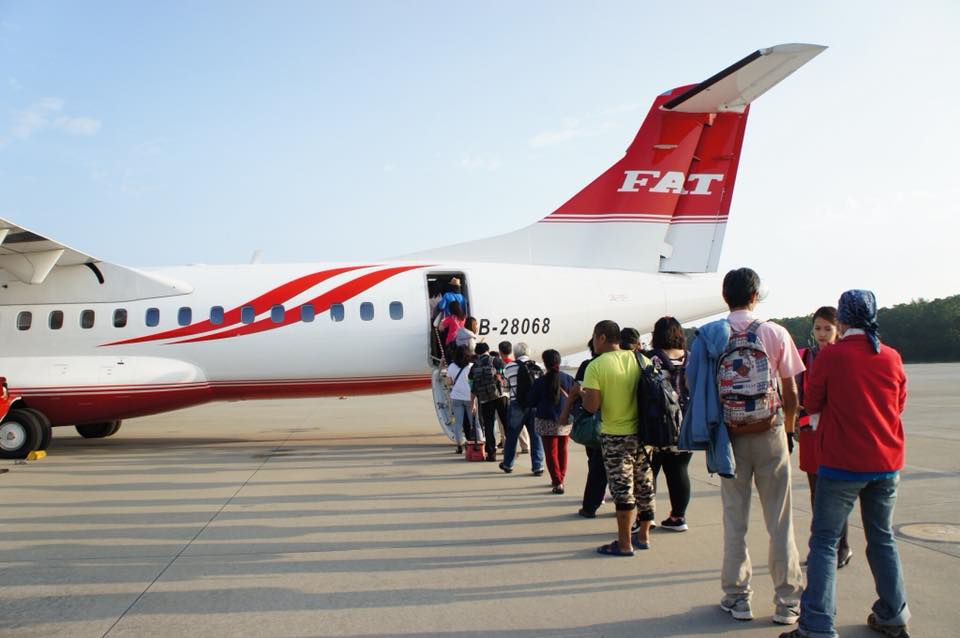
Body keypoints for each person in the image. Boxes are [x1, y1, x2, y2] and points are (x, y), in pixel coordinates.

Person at [781, 290, 910, 638]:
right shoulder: (892, 357)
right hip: (886, 461)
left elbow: (812, 401)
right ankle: (893, 613)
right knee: (882, 538)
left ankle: (818, 624)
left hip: (842, 463)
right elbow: (898, 405)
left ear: (842, 319)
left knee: (824, 542)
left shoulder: (831, 357)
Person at [693, 268, 803, 625]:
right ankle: (787, 602)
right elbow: (791, 393)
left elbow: (696, 387)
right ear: (756, 296)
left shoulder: (711, 336)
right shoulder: (775, 332)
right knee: (780, 521)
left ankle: (738, 598)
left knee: (734, 519)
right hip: (770, 433)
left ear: (726, 297)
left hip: (730, 437)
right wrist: (787, 431)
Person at [581, 320, 656, 557]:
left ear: (601, 338)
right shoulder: (640, 359)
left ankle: (624, 543)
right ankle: (643, 535)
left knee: (622, 488)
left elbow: (592, 407)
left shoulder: (597, 365)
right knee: (644, 484)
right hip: (644, 435)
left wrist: (582, 395)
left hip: (615, 435)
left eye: (594, 337)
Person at [795, 306, 852, 569]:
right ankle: (820, 547)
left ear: (838, 329)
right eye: (817, 328)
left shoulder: (844, 357)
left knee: (836, 494)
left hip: (835, 432)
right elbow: (799, 398)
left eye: (827, 328)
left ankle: (842, 545)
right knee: (817, 493)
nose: (821, 333)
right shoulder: (804, 357)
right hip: (810, 432)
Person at [645, 316, 694, 532]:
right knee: (679, 470)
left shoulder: (650, 359)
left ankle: (646, 517)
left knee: (649, 471)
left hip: (657, 424)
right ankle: (678, 517)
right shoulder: (691, 358)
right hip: (685, 423)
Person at [559, 340, 606, 518]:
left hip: (594, 420)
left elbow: (575, 390)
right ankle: (621, 501)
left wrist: (565, 413)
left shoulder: (589, 365)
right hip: (623, 423)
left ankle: (592, 504)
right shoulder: (629, 361)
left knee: (595, 462)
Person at [528, 349, 575, 493]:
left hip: (546, 419)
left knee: (551, 452)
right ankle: (561, 478)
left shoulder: (540, 381)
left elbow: (532, 401)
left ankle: (557, 481)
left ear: (545, 363)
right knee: (563, 450)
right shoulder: (567, 378)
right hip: (565, 418)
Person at [501, 343, 539, 471]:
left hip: (516, 404)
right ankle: (538, 466)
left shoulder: (509, 367)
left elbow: (505, 388)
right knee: (535, 436)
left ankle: (508, 464)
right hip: (534, 405)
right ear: (528, 353)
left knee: (512, 435)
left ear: (515, 354)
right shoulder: (537, 366)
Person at [469, 342, 508, 461]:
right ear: (488, 350)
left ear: (477, 353)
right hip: (500, 397)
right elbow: (504, 377)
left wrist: (472, 403)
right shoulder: (496, 361)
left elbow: (472, 385)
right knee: (506, 424)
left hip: (485, 399)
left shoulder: (474, 366)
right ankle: (509, 450)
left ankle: (491, 454)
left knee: (489, 426)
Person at [446, 346, 476, 454]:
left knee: (458, 423)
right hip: (470, 398)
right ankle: (477, 444)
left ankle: (459, 445)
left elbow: (449, 382)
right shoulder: (471, 366)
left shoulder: (451, 366)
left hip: (456, 398)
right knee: (474, 422)